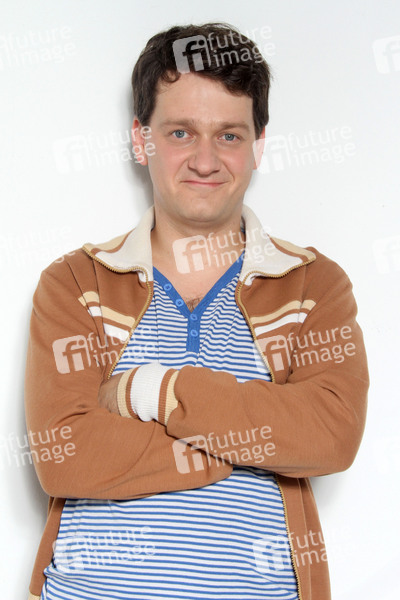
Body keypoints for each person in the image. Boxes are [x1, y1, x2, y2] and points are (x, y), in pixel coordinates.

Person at [25, 22, 369, 600]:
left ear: (258, 145)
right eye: (181, 132)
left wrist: (152, 391)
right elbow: (66, 457)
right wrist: (247, 445)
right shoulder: (76, 283)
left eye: (229, 135)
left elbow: (330, 435)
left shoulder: (313, 284)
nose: (205, 161)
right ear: (142, 141)